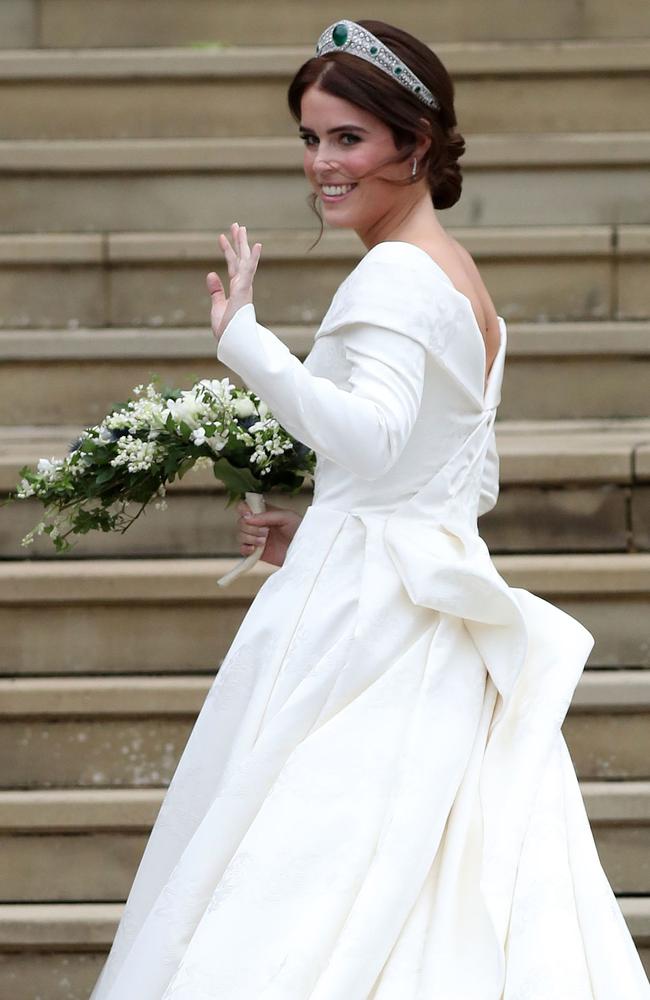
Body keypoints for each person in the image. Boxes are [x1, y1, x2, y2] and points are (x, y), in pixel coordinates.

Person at [89, 19, 650, 999]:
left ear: (414, 143)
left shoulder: (392, 276)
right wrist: (328, 519)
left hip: (365, 630)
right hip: (429, 605)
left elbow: (376, 440)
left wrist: (247, 343)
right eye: (309, 139)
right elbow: (457, 481)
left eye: (345, 137)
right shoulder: (460, 280)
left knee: (300, 879)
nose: (320, 164)